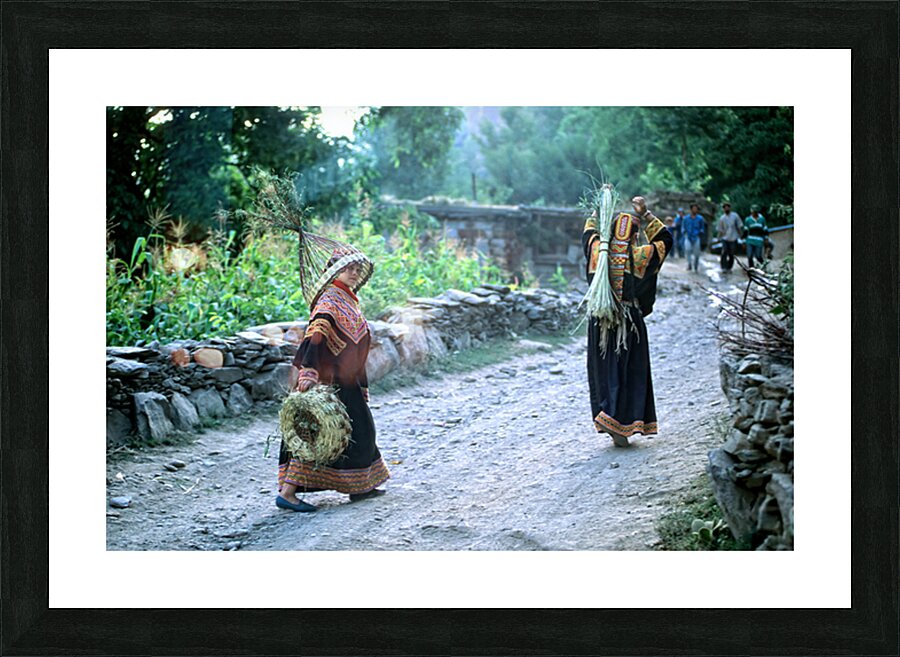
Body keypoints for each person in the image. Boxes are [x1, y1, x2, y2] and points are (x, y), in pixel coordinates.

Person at [276, 252, 390, 512]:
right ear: (333, 272)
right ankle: (288, 493)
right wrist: (309, 372)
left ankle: (361, 487)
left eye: (356, 268)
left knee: (359, 432)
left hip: (346, 379)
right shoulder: (329, 301)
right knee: (313, 436)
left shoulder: (347, 299)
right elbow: (316, 335)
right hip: (328, 381)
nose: (353, 273)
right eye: (347, 268)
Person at [582, 192, 672, 447]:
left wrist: (597, 214)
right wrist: (646, 214)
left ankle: (608, 418)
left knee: (605, 370)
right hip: (629, 322)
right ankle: (626, 422)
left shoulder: (598, 255)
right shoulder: (642, 256)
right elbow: (666, 240)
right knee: (630, 370)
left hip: (601, 321)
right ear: (634, 235)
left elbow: (587, 234)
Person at [716, 202, 743, 272]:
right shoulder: (722, 218)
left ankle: (729, 267)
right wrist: (718, 238)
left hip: (733, 237)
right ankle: (723, 267)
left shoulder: (735, 216)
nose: (726, 208)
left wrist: (741, 235)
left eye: (728, 207)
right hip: (725, 238)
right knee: (724, 252)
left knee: (732, 253)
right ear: (723, 209)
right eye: (725, 207)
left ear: (730, 208)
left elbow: (739, 226)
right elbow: (720, 229)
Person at [682, 203, 706, 272]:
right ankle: (689, 264)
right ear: (691, 209)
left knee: (697, 253)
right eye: (693, 208)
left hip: (696, 237)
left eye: (696, 209)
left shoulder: (700, 218)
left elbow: (702, 228)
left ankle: (695, 266)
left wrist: (700, 232)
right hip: (688, 236)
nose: (695, 210)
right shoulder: (686, 218)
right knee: (687, 250)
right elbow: (683, 227)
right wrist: (684, 232)